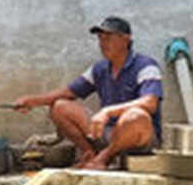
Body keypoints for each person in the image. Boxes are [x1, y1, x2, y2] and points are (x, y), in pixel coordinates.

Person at [13, 16, 163, 170]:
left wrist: (108, 112)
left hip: (138, 136)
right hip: (107, 132)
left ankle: (105, 157)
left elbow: (150, 103)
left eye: (108, 38)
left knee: (136, 116)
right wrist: (32, 101)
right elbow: (68, 92)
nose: (103, 44)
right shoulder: (100, 68)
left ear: (126, 40)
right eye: (100, 38)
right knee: (59, 107)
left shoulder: (146, 66)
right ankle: (90, 154)